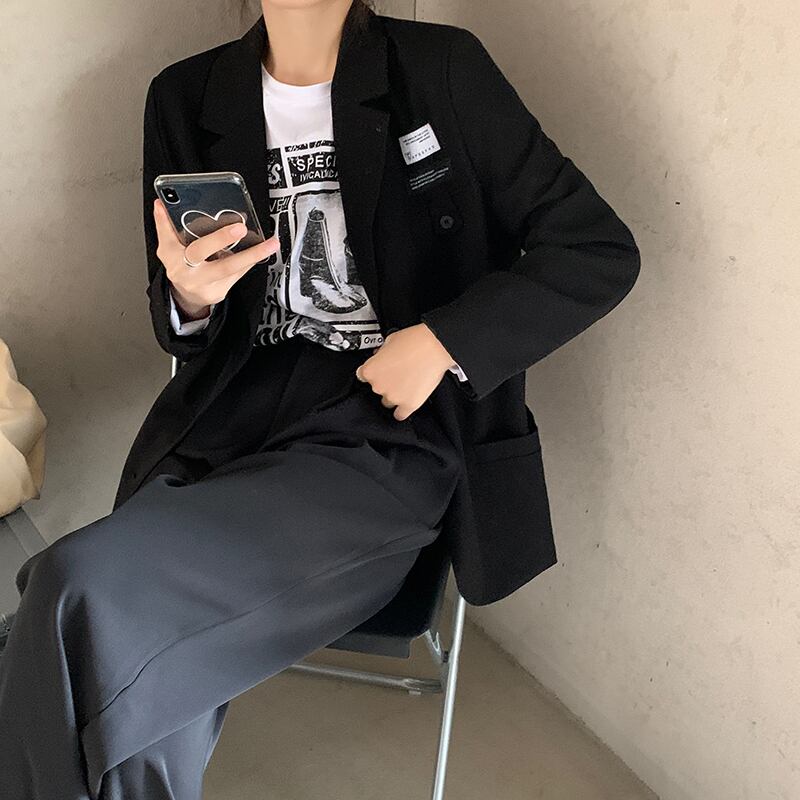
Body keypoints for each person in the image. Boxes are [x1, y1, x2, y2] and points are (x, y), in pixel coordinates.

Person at [0, 1, 641, 798]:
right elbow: (182, 328)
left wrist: (441, 342)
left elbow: (595, 248)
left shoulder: (439, 70)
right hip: (224, 416)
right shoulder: (185, 95)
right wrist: (191, 296)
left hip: (382, 437)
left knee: (74, 595)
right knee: (108, 651)